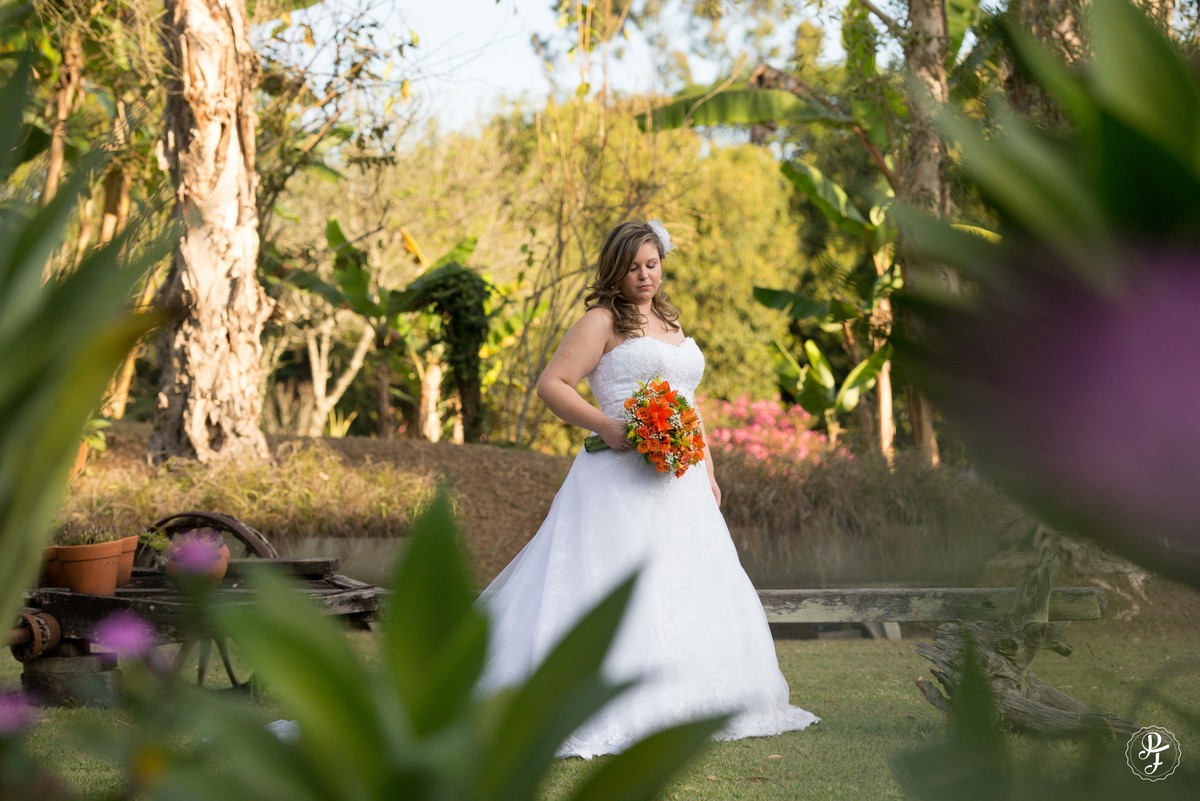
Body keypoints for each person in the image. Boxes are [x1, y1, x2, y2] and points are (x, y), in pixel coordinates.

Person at [478, 220, 818, 759]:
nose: (644, 276)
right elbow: (552, 384)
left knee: (684, 584)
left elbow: (689, 403)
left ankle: (690, 701)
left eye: (652, 264)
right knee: (615, 586)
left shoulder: (670, 320)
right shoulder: (601, 320)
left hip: (680, 483)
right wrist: (607, 426)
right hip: (615, 483)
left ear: (662, 265)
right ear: (616, 268)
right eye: (633, 266)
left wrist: (707, 470)